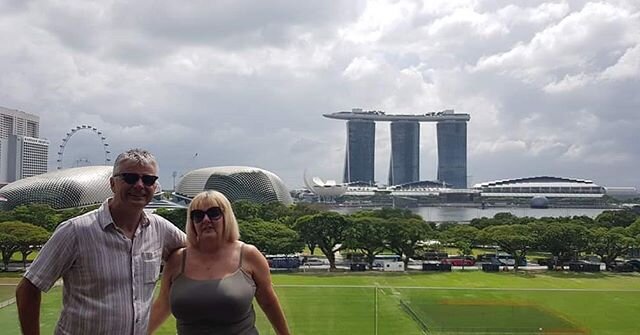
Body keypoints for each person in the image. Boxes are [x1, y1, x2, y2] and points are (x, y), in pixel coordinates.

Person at [16, 148, 186, 335]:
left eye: (148, 180)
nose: (139, 185)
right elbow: (28, 287)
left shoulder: (160, 229)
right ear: (113, 184)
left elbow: (201, 247)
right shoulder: (75, 231)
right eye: (130, 178)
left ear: (155, 186)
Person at [148, 190, 290, 335]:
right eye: (198, 215)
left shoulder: (249, 255)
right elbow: (163, 305)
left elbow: (269, 302)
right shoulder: (177, 260)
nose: (206, 220)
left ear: (227, 216)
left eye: (214, 213)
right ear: (192, 223)